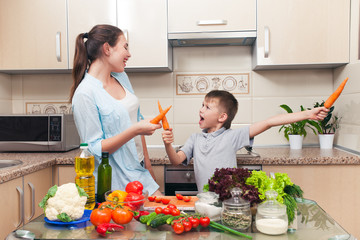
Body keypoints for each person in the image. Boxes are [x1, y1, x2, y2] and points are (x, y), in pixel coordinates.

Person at [162, 90, 329, 192]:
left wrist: (308, 114)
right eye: (202, 105)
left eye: (207, 107)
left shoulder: (232, 136)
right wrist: (168, 144)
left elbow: (269, 122)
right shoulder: (195, 139)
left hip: (229, 202)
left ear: (222, 117)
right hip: (204, 202)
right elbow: (176, 161)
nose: (201, 109)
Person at [69, 24, 162, 196]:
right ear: (107, 48)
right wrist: (135, 130)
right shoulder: (85, 94)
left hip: (140, 172)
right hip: (116, 181)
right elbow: (95, 148)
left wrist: (148, 167)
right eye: (125, 47)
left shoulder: (121, 77)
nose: (129, 54)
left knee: (163, 219)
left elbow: (137, 119)